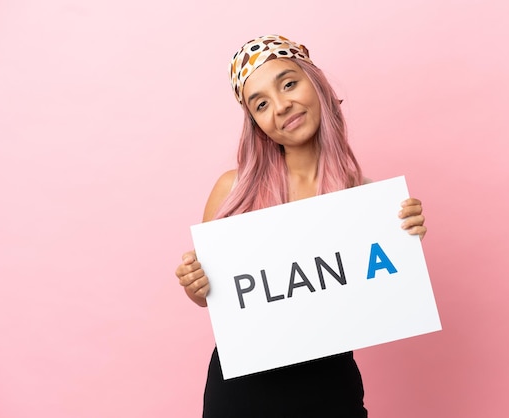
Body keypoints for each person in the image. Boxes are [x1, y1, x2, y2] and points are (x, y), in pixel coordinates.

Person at [175, 34, 427, 417]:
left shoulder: (366, 199)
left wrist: (407, 234)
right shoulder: (235, 189)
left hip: (331, 389)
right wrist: (195, 282)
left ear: (316, 82)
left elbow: (382, 290)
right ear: (256, 123)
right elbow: (211, 299)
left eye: (289, 83)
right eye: (261, 104)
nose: (281, 106)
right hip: (244, 394)